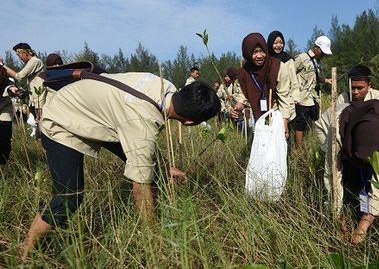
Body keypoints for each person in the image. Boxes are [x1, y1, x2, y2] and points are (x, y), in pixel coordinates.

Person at [20, 73, 220, 260]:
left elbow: (143, 148)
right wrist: (153, 238)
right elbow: (140, 186)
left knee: (150, 166)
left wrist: (165, 167)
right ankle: (24, 254)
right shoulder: (141, 123)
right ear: (190, 123)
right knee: (69, 197)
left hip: (100, 113)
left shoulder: (162, 84)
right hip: (62, 119)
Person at [315, 100, 379, 244]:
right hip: (333, 132)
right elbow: (332, 176)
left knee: (367, 179)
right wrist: (338, 218)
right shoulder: (336, 128)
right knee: (346, 176)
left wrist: (363, 227)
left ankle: (362, 209)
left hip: (356, 144)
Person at [229, 33, 297, 137]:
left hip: (277, 113)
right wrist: (238, 107)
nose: (259, 56)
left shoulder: (277, 67)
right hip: (258, 117)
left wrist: (284, 123)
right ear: (247, 53)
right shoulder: (244, 73)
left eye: (262, 51)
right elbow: (243, 96)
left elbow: (285, 97)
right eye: (255, 52)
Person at [292, 35, 333, 146]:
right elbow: (290, 74)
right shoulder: (302, 58)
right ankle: (299, 149)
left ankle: (312, 143)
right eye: (323, 52)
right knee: (301, 123)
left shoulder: (317, 62)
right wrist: (294, 94)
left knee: (315, 119)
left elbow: (314, 76)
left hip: (313, 97)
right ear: (317, 48)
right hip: (302, 98)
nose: (324, 55)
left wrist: (326, 80)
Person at [0, 43, 47, 115]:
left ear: (24, 53)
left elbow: (19, 77)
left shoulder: (35, 61)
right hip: (35, 94)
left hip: (39, 94)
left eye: (19, 55)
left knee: (40, 116)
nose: (19, 58)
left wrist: (3, 66)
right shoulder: (32, 62)